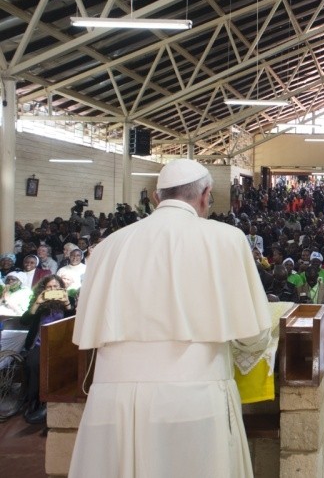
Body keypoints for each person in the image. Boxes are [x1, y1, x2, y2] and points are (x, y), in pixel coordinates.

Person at [70, 159, 278, 478]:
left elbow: (87, 328)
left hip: (113, 401)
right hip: (193, 397)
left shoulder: (107, 247)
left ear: (156, 198)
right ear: (206, 194)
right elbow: (254, 334)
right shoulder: (226, 238)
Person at [19, 275, 75, 424]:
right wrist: (37, 303)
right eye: (49, 287)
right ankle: (33, 402)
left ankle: (51, 405)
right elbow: (24, 321)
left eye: (56, 287)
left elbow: (75, 320)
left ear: (61, 288)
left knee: (60, 369)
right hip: (39, 344)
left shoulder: (69, 299)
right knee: (33, 364)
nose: (52, 290)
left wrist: (67, 304)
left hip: (61, 346)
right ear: (44, 289)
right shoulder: (39, 301)